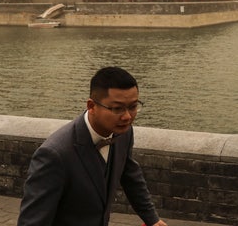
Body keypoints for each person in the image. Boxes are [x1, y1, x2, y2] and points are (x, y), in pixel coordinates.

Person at [18, 67, 168, 226]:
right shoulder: (54, 154)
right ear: (91, 106)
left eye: (133, 106)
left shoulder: (124, 132)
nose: (127, 116)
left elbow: (130, 175)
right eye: (117, 108)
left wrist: (152, 219)